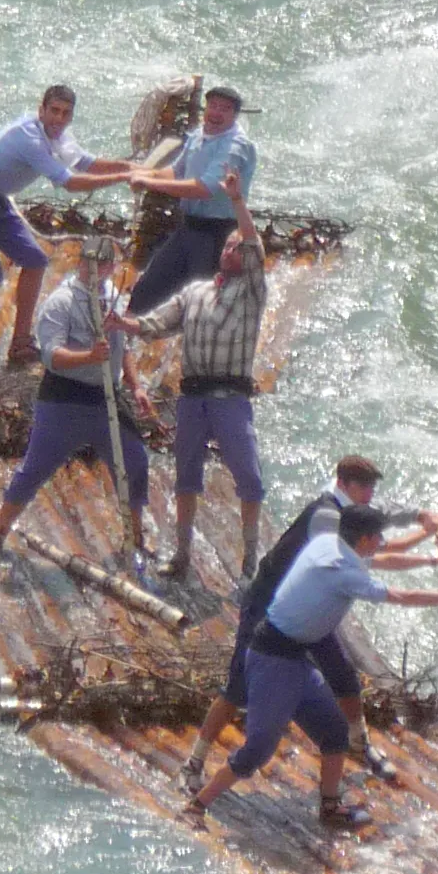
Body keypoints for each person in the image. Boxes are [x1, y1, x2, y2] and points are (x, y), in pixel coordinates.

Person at [183, 505, 438, 832]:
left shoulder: (329, 541)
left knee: (334, 732)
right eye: (378, 536)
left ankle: (330, 807)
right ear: (365, 538)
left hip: (296, 657)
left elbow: (383, 559)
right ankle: (197, 806)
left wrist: (437, 561)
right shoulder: (343, 571)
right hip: (273, 661)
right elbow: (401, 595)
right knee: (257, 749)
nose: (381, 541)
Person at [181, 456, 438, 791]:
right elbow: (373, 555)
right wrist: (431, 556)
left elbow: (380, 512)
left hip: (305, 609)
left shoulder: (348, 507)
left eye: (371, 487)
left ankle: (359, 744)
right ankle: (194, 761)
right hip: (269, 606)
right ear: (343, 485)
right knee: (237, 689)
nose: (370, 493)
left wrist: (420, 515)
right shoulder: (327, 519)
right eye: (363, 487)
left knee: (345, 678)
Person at [108, 167, 265, 580]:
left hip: (230, 397)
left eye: (239, 247)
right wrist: (127, 325)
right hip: (192, 398)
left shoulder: (250, 292)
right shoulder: (195, 293)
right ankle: (181, 554)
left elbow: (253, 244)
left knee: (248, 476)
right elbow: (157, 323)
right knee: (186, 478)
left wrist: (235, 202)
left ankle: (251, 556)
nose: (235, 250)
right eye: (229, 246)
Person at [0, 86, 135, 364]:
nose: (58, 118)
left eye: (65, 113)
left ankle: (20, 342)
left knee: (35, 261)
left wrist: (132, 168)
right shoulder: (28, 137)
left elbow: (85, 163)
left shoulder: (58, 135)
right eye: (53, 111)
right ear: (41, 109)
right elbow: (70, 183)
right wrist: (123, 177)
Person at [0, 235, 154, 556]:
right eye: (88, 262)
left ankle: (135, 539)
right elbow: (52, 356)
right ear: (80, 263)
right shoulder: (61, 302)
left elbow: (125, 349)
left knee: (134, 463)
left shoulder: (115, 299)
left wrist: (136, 387)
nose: (93, 270)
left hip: (106, 398)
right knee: (35, 469)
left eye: (101, 264)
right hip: (65, 397)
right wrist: (90, 356)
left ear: (111, 268)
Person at [123, 84, 258, 317]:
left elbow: (204, 188)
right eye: (213, 106)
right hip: (188, 227)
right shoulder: (197, 136)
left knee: (202, 305)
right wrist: (146, 173)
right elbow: (177, 171)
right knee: (145, 293)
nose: (216, 113)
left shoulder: (235, 147)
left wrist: (150, 183)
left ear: (235, 115)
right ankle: (123, 342)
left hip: (216, 235)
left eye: (224, 109)